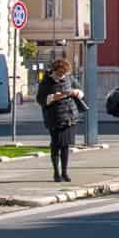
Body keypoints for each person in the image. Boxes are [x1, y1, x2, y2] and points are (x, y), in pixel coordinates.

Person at [36, 56, 84, 184]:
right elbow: (40, 99)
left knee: (66, 146)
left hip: (69, 117)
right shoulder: (47, 81)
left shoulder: (68, 78)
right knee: (56, 145)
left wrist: (75, 92)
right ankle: (56, 173)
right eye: (60, 74)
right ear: (55, 71)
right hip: (54, 117)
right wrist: (53, 97)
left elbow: (80, 91)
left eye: (64, 74)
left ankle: (65, 172)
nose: (62, 76)